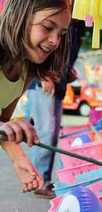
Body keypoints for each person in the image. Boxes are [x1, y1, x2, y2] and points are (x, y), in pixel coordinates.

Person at [0, 0, 71, 193]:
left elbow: (2, 120)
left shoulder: (25, 68)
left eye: (61, 34)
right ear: (20, 17)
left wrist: (17, 158)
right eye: (48, 27)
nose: (55, 41)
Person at [18, 19, 84, 198]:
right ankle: (40, 181)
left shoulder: (79, 20)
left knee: (51, 134)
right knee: (46, 132)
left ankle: (42, 179)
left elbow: (63, 52)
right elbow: (36, 42)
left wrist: (67, 70)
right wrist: (43, 75)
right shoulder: (61, 11)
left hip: (56, 82)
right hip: (44, 81)